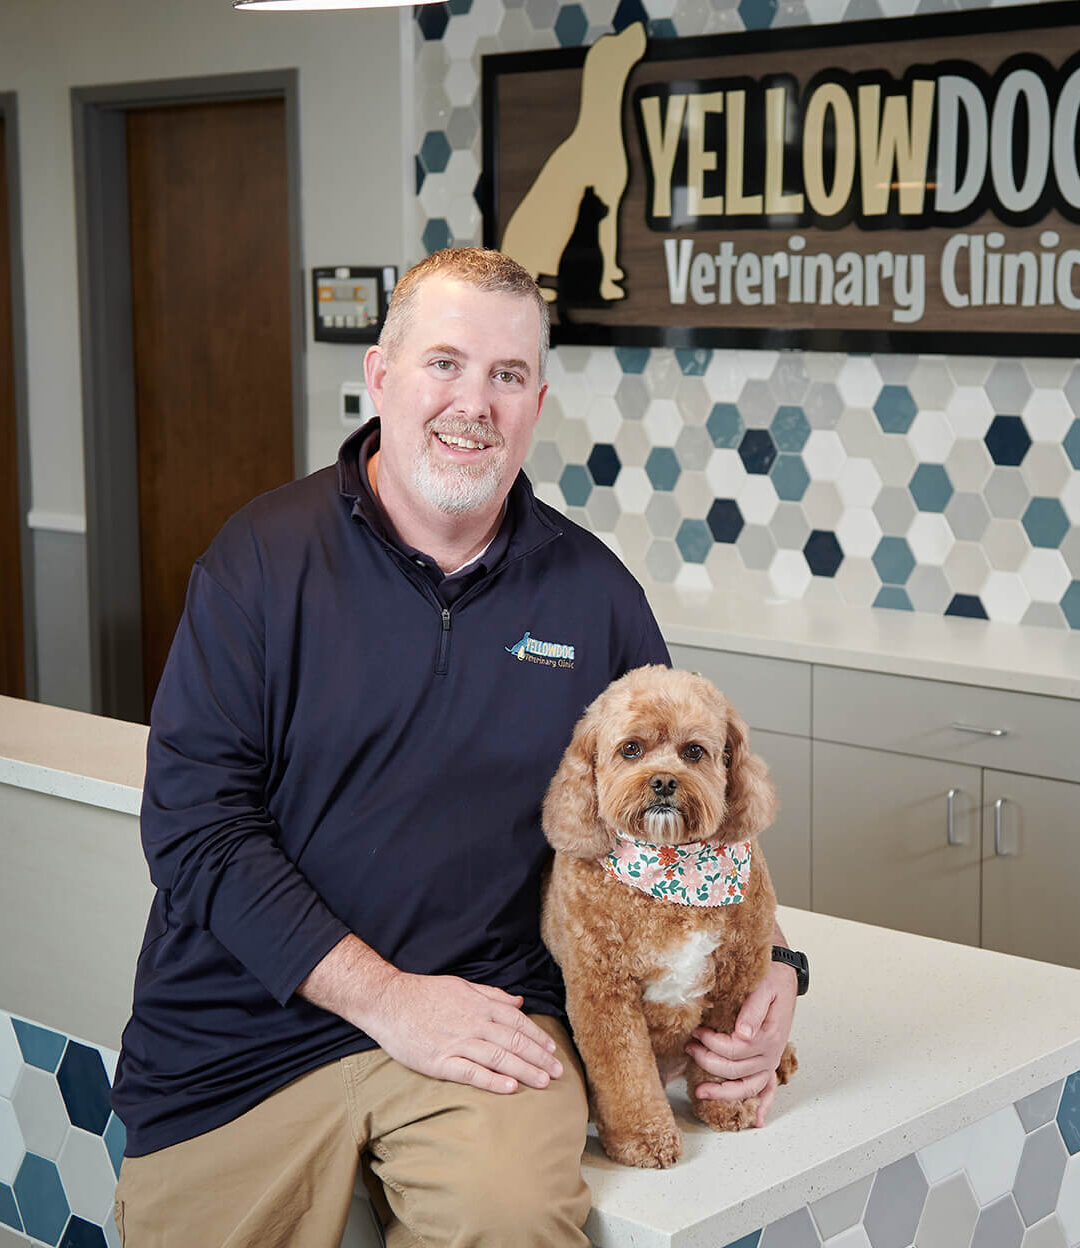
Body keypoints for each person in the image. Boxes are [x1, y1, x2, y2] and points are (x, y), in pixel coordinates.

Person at [111, 248, 799, 1247]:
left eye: (506, 375)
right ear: (380, 375)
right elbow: (194, 832)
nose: (473, 403)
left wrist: (774, 967)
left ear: (536, 399)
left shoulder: (593, 595)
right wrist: (388, 1001)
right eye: (444, 364)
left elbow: (682, 803)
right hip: (242, 1032)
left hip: (493, 1025)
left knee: (512, 1223)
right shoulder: (261, 563)